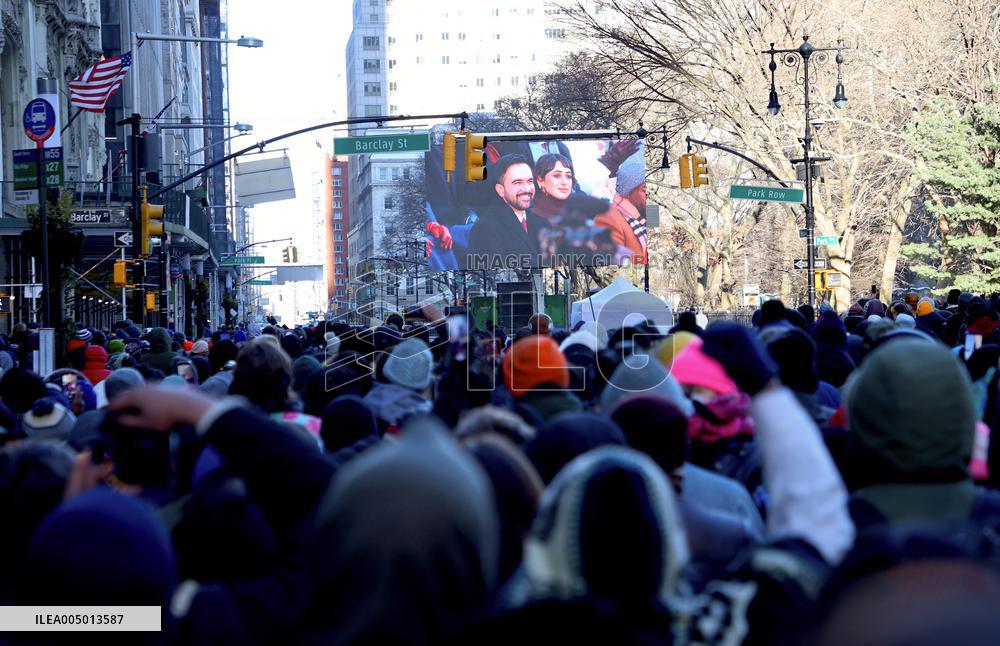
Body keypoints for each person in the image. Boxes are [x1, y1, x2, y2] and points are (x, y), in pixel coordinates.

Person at [467, 154, 549, 269]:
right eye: (517, 183)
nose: (527, 189)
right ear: (501, 190)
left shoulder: (542, 223)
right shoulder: (484, 231)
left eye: (530, 181)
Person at [594, 151, 647, 263]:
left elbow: (659, 242)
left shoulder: (648, 213)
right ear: (627, 193)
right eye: (645, 190)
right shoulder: (609, 218)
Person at [531, 153, 576, 220]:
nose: (564, 182)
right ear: (540, 181)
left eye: (568, 176)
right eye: (557, 176)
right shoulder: (530, 214)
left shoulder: (578, 209)